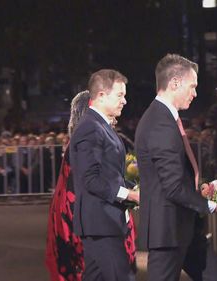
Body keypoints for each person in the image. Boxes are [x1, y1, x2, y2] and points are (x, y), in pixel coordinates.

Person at [135, 54, 217, 281]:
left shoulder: (165, 119)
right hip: (168, 231)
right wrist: (212, 206)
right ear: (175, 83)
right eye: (193, 86)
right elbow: (173, 186)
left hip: (183, 227)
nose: (195, 93)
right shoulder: (159, 123)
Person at [70, 70, 139, 281]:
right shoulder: (90, 128)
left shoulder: (98, 126)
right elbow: (90, 179)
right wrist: (130, 195)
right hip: (100, 222)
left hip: (103, 221)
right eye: (119, 95)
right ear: (101, 95)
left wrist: (133, 189)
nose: (125, 101)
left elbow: (109, 174)